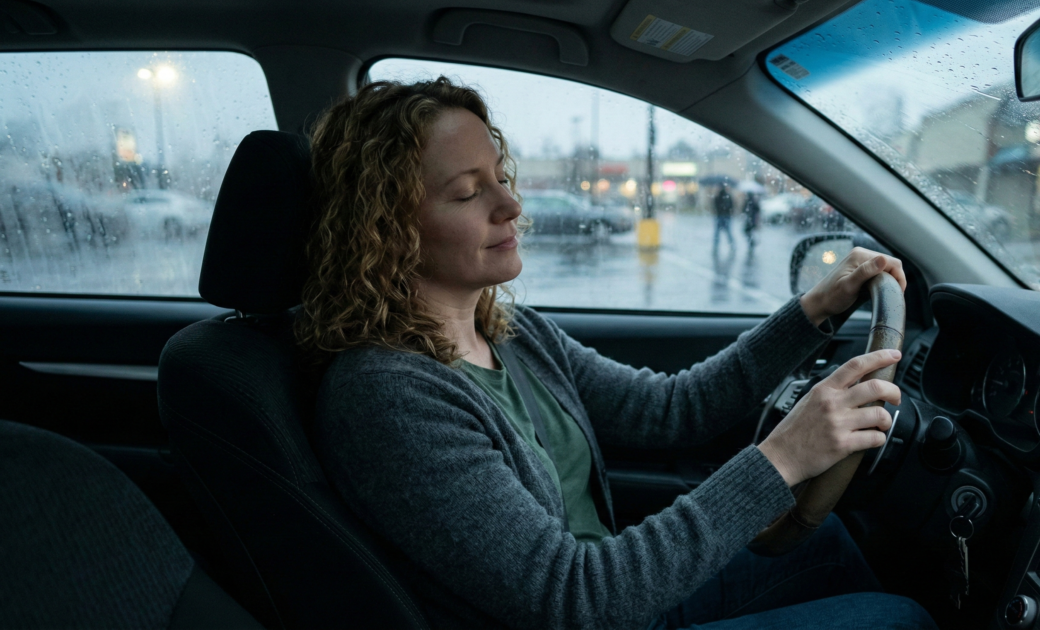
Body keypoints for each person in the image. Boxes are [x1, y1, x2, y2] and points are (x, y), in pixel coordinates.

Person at [300, 78, 936, 630]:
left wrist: (812, 311)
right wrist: (784, 457)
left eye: (500, 177)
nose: (512, 205)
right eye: (468, 193)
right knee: (903, 622)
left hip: (621, 601)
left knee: (823, 541)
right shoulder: (386, 394)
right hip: (590, 615)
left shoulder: (516, 335)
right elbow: (574, 601)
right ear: (383, 226)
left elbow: (671, 409)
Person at [714, 185, 735, 250]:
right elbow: (731, 206)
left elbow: (715, 206)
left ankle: (716, 246)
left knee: (717, 233)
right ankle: (732, 245)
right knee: (728, 232)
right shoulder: (728, 196)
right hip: (726, 216)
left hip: (720, 216)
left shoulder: (718, 197)